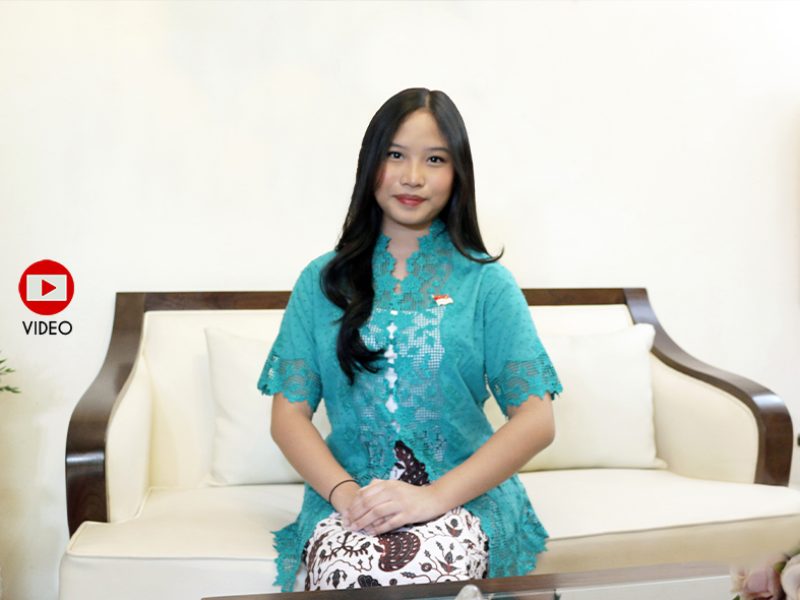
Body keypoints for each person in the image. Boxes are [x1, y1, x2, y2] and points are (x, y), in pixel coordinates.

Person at [258, 87, 562, 592]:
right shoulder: (322, 282)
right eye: (396, 155)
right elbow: (288, 415)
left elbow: (536, 419)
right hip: (350, 501)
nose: (413, 176)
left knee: (416, 572)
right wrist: (347, 496)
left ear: (458, 172)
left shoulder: (487, 284)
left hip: (464, 497)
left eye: (435, 159)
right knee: (353, 571)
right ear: (370, 164)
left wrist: (432, 498)